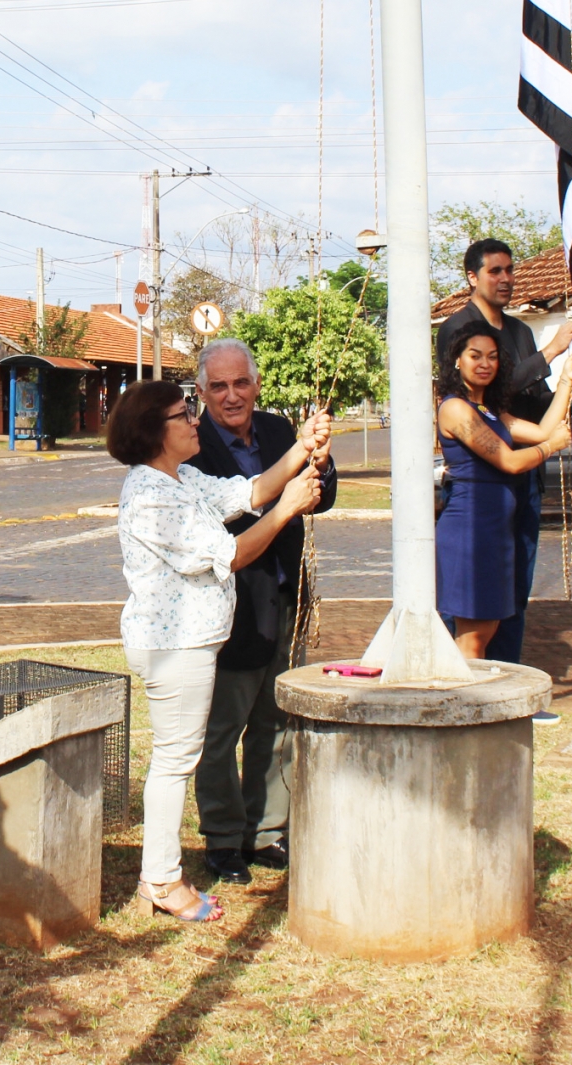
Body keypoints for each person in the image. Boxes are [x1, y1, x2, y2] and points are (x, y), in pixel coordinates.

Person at [106, 378, 326, 923]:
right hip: (174, 647)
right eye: (183, 414)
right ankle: (162, 880)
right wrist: (287, 510)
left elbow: (246, 492)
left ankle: (160, 877)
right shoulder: (152, 494)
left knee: (175, 758)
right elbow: (230, 554)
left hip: (189, 644)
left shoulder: (180, 478)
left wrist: (302, 447)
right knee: (175, 762)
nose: (194, 420)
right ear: (154, 431)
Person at [184, 338, 335, 888]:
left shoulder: (276, 430)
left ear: (257, 384)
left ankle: (266, 830)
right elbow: (218, 528)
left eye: (241, 383)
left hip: (286, 597)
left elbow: (322, 494)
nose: (232, 396)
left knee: (276, 721)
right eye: (219, 386)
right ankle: (223, 839)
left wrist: (320, 461)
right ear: (202, 392)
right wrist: (285, 500)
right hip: (230, 607)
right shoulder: (191, 447)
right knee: (222, 730)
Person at [436, 238, 572, 669]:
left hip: (516, 493)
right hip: (476, 511)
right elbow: (512, 449)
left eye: (510, 270)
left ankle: (504, 680)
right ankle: (466, 692)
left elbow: (533, 413)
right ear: (473, 277)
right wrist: (551, 352)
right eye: (495, 271)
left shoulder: (518, 333)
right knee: (469, 628)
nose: (506, 279)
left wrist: (567, 381)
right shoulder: (457, 331)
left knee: (510, 600)